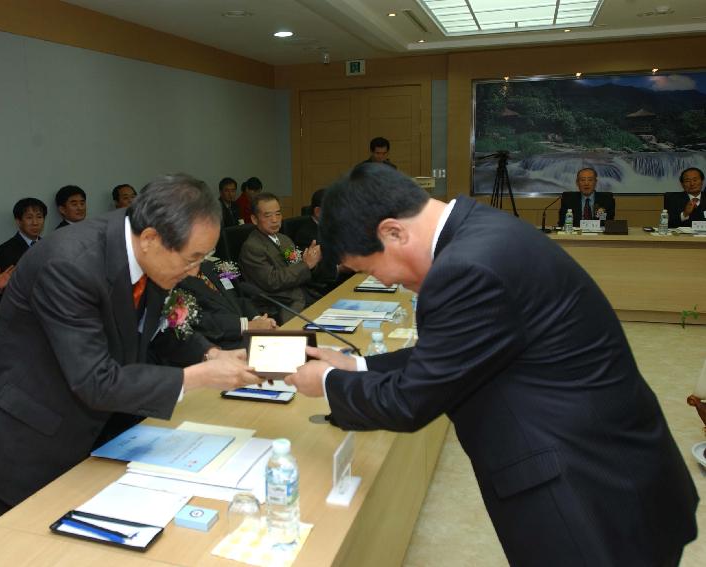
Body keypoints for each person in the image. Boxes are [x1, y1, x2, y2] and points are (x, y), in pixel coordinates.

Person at [285, 163, 698, 567]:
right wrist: (356, 366)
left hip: (587, 498)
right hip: (620, 475)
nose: (387, 282)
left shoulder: (464, 269)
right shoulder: (482, 229)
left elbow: (411, 402)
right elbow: (461, 352)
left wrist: (327, 382)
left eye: (372, 269)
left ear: (393, 231)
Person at [0, 174, 262, 515]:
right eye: (191, 259)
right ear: (150, 238)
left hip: (100, 431)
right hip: (27, 437)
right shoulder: (69, 266)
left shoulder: (145, 249)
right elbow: (95, 380)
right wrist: (201, 376)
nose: (194, 273)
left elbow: (158, 326)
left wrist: (212, 353)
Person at [238, 193, 322, 323]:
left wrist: (311, 261)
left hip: (302, 294)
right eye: (268, 215)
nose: (275, 220)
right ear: (254, 219)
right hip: (280, 304)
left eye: (278, 214)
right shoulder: (252, 247)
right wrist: (306, 265)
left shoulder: (284, 240)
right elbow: (273, 281)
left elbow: (295, 263)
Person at [176, 260, 276, 350]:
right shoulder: (176, 281)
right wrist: (246, 326)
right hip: (223, 348)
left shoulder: (209, 266)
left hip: (247, 337)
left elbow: (236, 300)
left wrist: (258, 319)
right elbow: (200, 321)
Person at [0, 197, 47, 272]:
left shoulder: (49, 245)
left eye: (39, 217)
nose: (35, 223)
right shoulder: (4, 251)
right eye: (29, 217)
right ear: (18, 221)